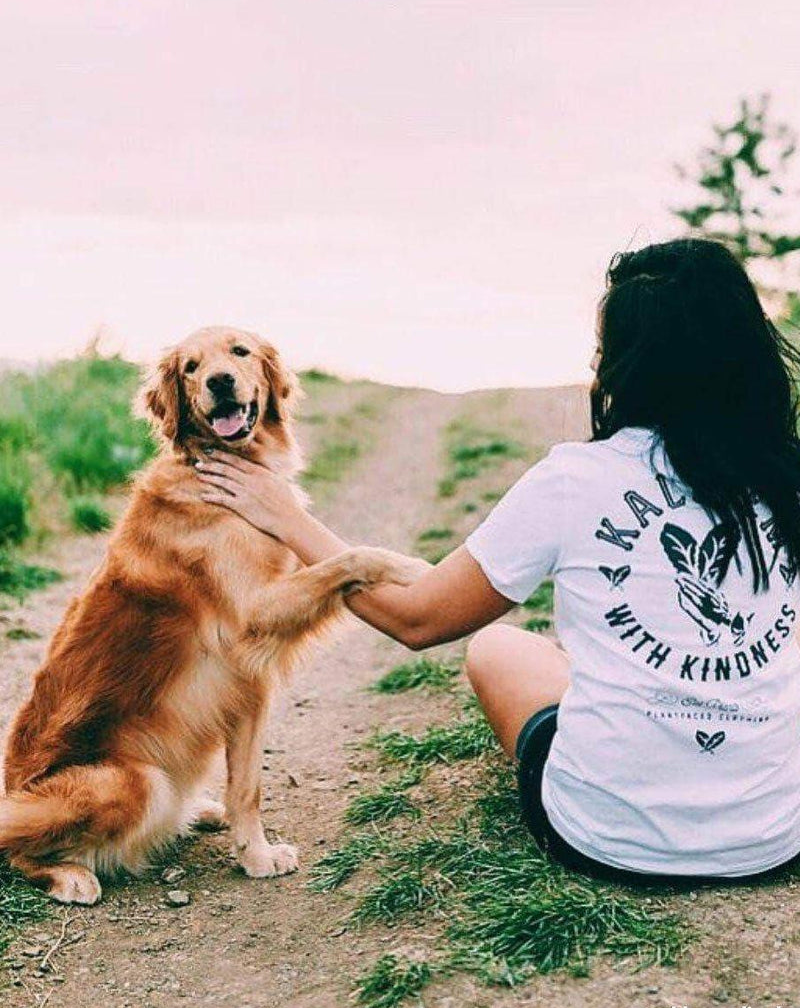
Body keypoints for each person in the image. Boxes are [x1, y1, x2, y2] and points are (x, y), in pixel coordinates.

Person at [195, 238, 800, 885]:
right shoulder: (785, 472)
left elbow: (418, 620)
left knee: (498, 647)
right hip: (775, 837)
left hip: (607, 838)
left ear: (624, 364)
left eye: (603, 350)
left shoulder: (574, 478)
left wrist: (285, 515)